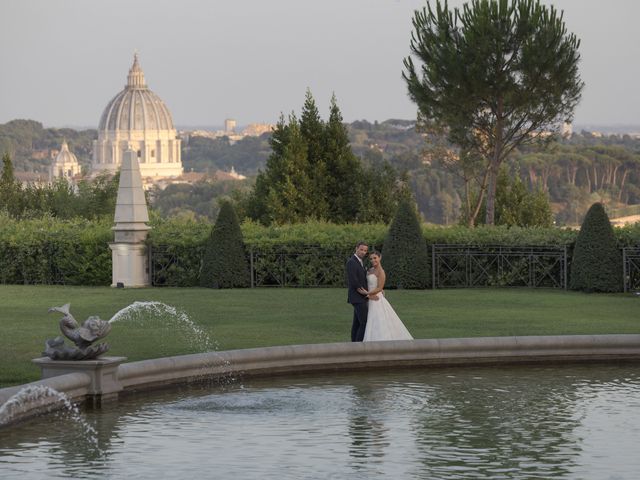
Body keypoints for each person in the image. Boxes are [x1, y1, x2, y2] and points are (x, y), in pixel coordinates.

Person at [363, 251, 413, 342]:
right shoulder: (370, 270)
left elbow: (379, 288)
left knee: (378, 320)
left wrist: (367, 293)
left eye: (375, 258)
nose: (373, 260)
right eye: (371, 258)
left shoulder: (381, 272)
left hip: (376, 299)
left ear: (380, 258)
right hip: (370, 298)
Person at [346, 241, 376, 342]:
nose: (363, 252)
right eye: (361, 249)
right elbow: (354, 281)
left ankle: (353, 344)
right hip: (357, 297)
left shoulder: (360, 261)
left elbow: (363, 278)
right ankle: (358, 345)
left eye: (365, 251)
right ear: (356, 248)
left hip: (360, 297)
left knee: (357, 322)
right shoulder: (351, 262)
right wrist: (365, 293)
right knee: (364, 322)